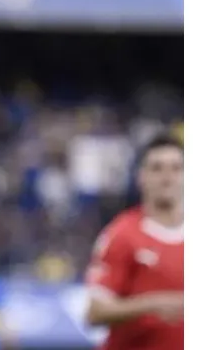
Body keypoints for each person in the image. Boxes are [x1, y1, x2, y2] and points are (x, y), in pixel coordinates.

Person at [85, 135, 183, 350]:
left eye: (176, 168)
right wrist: (152, 304)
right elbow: (95, 312)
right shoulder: (121, 235)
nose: (168, 177)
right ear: (141, 177)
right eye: (157, 168)